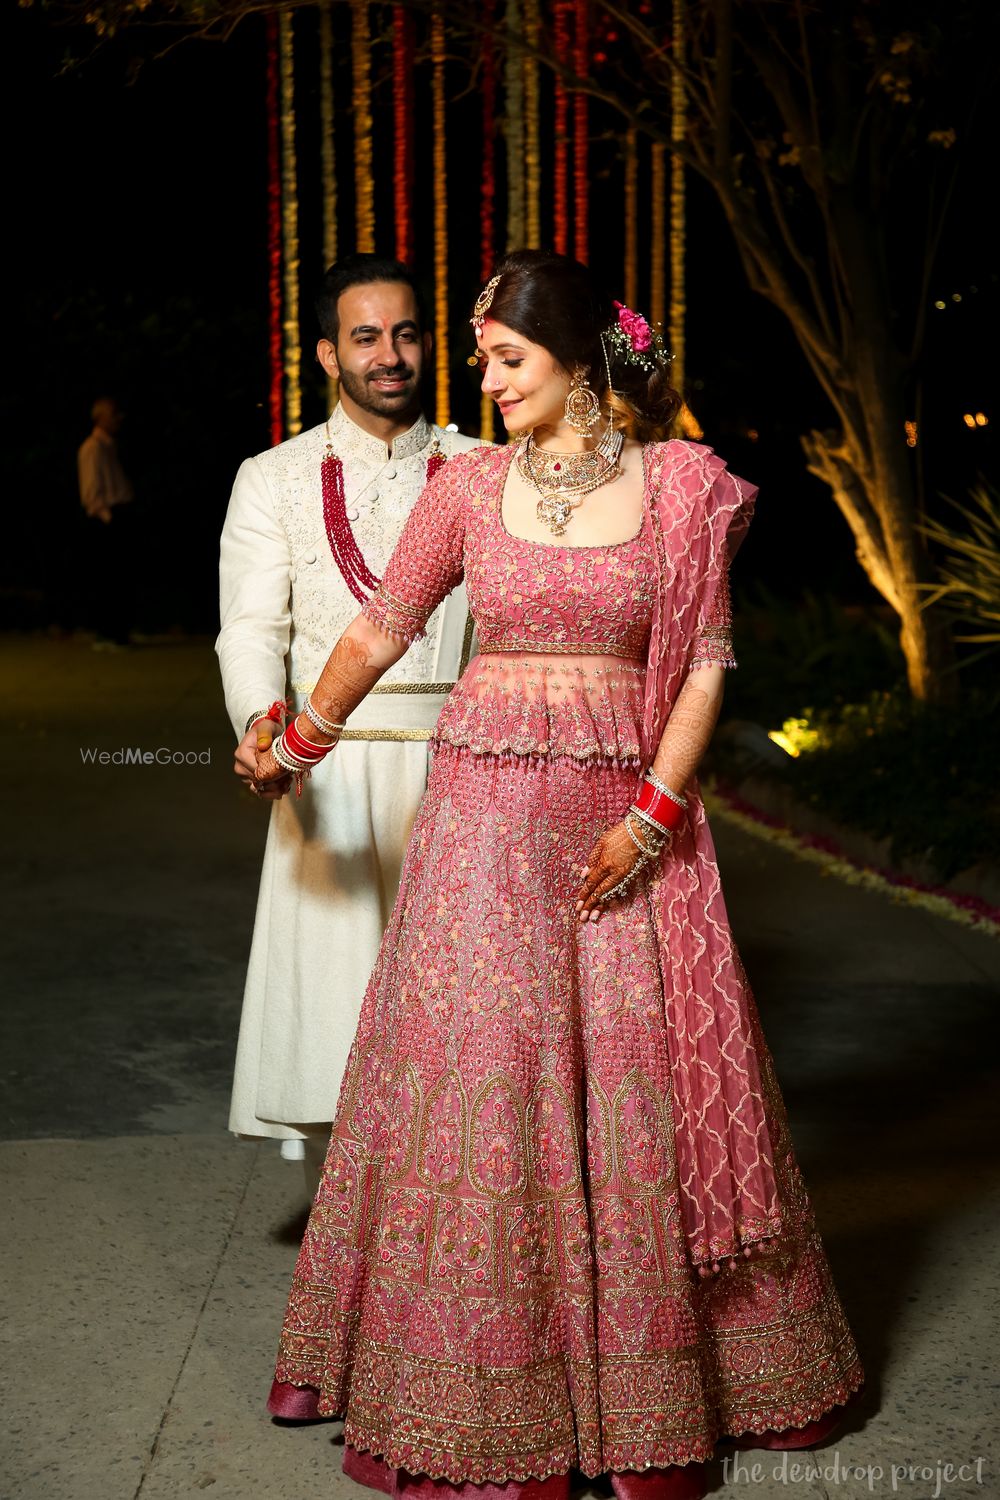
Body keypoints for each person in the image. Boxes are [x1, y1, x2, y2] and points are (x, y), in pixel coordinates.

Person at [256, 251, 863, 1500]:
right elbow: (381, 625)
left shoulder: (682, 487)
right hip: (479, 829)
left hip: (616, 835)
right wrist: (300, 738)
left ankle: (650, 1393)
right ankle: (476, 1390)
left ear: (581, 361)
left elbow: (700, 661)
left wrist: (651, 819)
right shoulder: (468, 487)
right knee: (483, 1090)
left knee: (627, 1096)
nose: (481, 381)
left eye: (505, 359)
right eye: (479, 358)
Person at [217, 254, 480, 1188]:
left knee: (465, 1022)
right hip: (325, 765)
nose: (391, 355)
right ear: (329, 353)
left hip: (465, 777)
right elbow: (250, 628)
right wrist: (261, 721)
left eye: (406, 333)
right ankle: (365, 1224)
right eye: (366, 337)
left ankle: (457, 1211)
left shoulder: (486, 472)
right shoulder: (273, 478)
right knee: (338, 1013)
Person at [77, 396, 135, 648]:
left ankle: (117, 632)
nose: (118, 419)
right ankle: (109, 633)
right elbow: (91, 492)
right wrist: (108, 519)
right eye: (113, 414)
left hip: (116, 515)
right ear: (100, 417)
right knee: (109, 578)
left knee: (118, 578)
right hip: (107, 519)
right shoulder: (92, 448)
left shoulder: (108, 445)